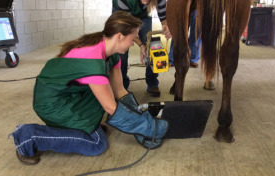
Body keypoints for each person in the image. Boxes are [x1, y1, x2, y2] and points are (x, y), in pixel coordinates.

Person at [9, 11, 168, 165]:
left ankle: (79, 125)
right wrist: (147, 127)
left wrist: (139, 118)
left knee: (107, 100)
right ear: (120, 36)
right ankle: (28, 136)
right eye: (132, 39)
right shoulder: (92, 59)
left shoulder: (111, 52)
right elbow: (111, 107)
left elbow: (120, 91)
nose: (133, 43)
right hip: (53, 103)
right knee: (96, 144)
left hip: (72, 93)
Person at [112, 0, 171, 97]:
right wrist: (140, 45)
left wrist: (166, 28)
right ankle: (122, 85)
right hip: (122, 12)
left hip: (144, 14)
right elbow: (128, 28)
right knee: (121, 47)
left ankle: (152, 82)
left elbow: (163, 17)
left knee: (151, 44)